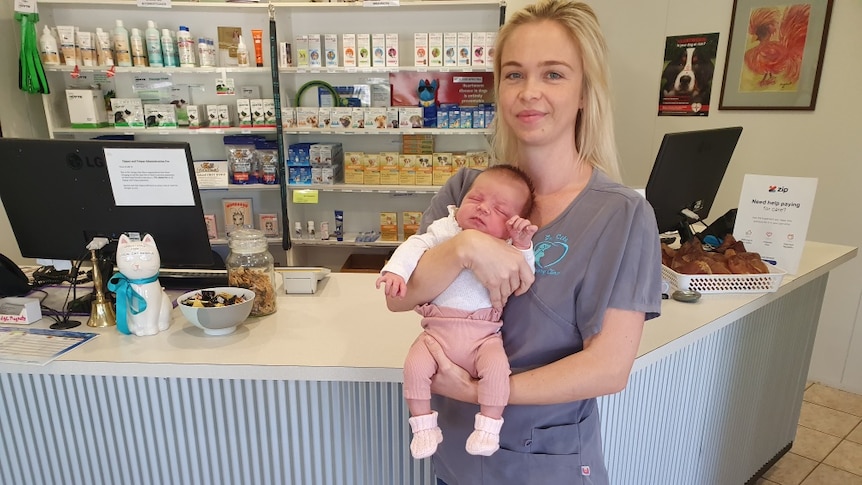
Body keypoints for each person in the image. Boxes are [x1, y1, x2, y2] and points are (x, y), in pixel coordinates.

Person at [382, 0, 663, 483]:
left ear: (583, 92)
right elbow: (401, 298)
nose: (529, 92)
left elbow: (608, 368)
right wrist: (465, 247)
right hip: (454, 455)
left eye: (553, 74)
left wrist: (478, 391)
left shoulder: (621, 215)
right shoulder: (465, 191)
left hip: (543, 463)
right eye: (514, 75)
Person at [376, 165, 538, 460]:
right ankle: (424, 427)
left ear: (514, 223)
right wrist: (396, 272)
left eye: (501, 211)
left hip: (483, 337)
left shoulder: (507, 245)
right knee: (414, 368)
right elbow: (414, 246)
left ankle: (488, 427)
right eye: (476, 199)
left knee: (497, 371)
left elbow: (524, 272)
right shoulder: (446, 229)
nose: (484, 210)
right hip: (436, 332)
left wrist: (524, 244)